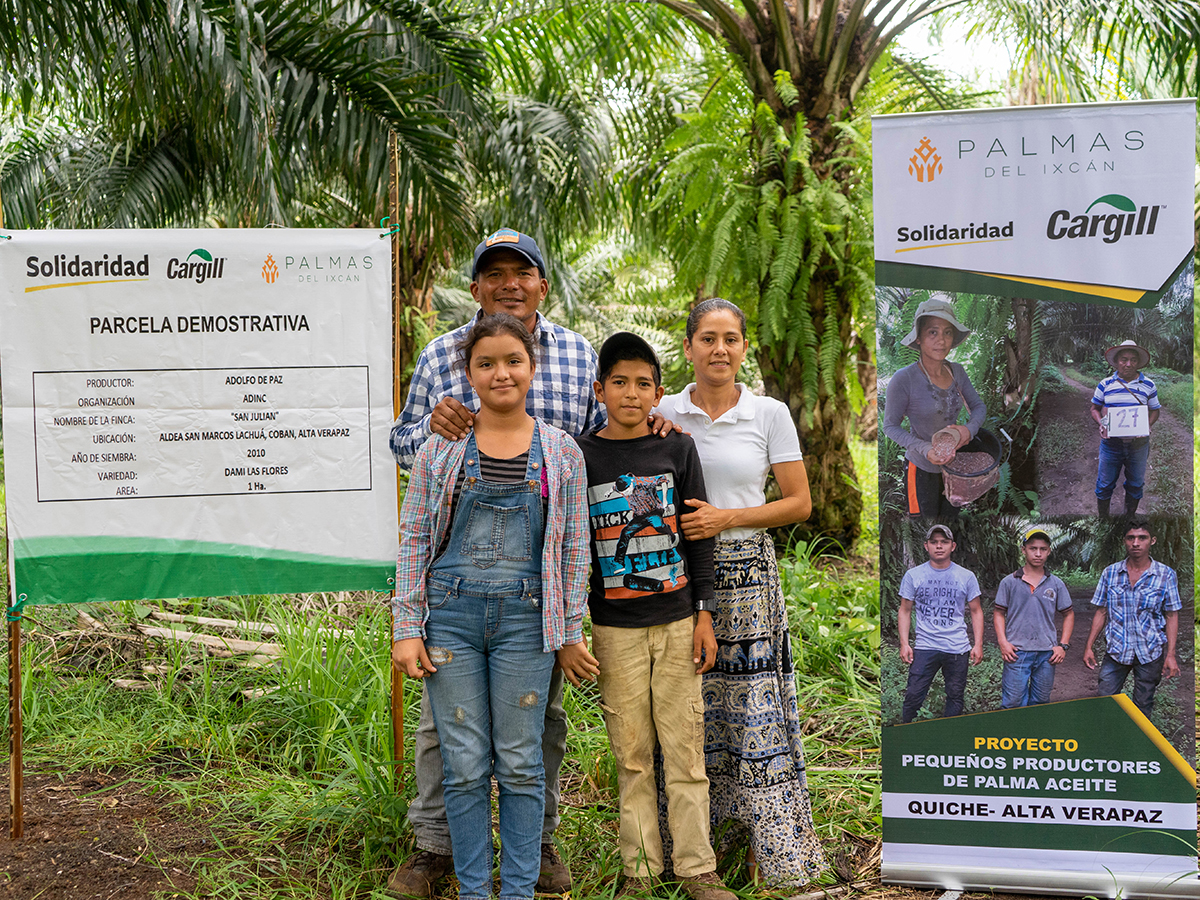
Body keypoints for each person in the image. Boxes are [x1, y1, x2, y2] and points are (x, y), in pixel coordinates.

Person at [387, 228, 600, 897]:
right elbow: (414, 528)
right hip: (452, 610)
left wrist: (655, 425)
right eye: (496, 272)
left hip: (532, 611)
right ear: (476, 288)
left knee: (534, 739)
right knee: (455, 750)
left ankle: (531, 861)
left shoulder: (569, 407)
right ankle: (440, 854)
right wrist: (407, 622)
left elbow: (577, 525)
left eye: (523, 271)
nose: (510, 281)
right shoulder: (439, 374)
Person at [654, 298, 826, 887]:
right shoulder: (663, 410)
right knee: (686, 704)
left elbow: (800, 503)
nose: (719, 349)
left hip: (747, 576)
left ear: (744, 348)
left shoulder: (768, 413)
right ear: (689, 348)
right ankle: (687, 849)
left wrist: (728, 518)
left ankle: (763, 843)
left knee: (752, 709)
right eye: (707, 338)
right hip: (674, 574)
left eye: (730, 339)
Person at [574, 332, 734, 900]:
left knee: (686, 749)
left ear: (658, 393)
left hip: (675, 622)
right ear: (599, 390)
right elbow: (573, 549)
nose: (631, 393)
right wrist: (574, 628)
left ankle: (697, 869)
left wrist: (705, 614)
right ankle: (638, 871)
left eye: (643, 383)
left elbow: (697, 537)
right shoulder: (580, 455)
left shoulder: (677, 450)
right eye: (619, 382)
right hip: (613, 629)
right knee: (633, 754)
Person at [881, 294, 986, 518]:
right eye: (933, 332)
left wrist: (969, 429)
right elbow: (890, 426)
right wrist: (925, 449)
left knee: (949, 521)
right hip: (921, 469)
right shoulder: (904, 379)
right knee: (925, 527)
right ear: (918, 337)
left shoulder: (956, 371)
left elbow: (978, 406)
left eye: (947, 332)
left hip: (955, 467)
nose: (941, 340)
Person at [1083, 518, 1180, 718]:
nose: (1136, 543)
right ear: (1124, 541)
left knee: (1143, 705)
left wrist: (1170, 654)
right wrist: (1088, 646)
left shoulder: (1165, 575)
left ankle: (1136, 744)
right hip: (1117, 649)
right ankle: (1106, 741)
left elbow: (1171, 615)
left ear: (1152, 541)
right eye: (1131, 538)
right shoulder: (1110, 573)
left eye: (1142, 538)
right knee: (1105, 698)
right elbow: (1101, 611)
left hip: (1150, 650)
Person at [898, 524, 984, 722]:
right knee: (913, 695)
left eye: (944, 542)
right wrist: (904, 643)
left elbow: (976, 610)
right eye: (934, 542)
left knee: (955, 695)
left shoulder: (966, 576)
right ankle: (905, 735)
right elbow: (904, 610)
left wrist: (978, 644)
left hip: (957, 647)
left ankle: (948, 736)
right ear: (926, 546)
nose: (939, 546)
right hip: (925, 645)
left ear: (952, 546)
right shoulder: (913, 575)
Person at [994, 527, 1074, 708]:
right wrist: (1003, 642)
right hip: (1017, 651)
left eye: (1043, 549)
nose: (1038, 554)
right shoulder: (1009, 582)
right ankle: (1013, 734)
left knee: (1040, 702)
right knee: (1013, 702)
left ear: (1049, 551)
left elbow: (1068, 613)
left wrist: (1063, 645)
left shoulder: (1055, 584)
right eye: (1033, 548)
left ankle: (1033, 733)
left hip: (1047, 653)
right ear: (1023, 550)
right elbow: (999, 612)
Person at [1090, 340, 1159, 517]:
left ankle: (1129, 519)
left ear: (1138, 362)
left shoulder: (1148, 385)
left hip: (1139, 445)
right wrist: (1102, 423)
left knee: (1136, 484)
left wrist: (1147, 425)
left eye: (1133, 360)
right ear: (1116, 361)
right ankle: (1103, 521)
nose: (1128, 364)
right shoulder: (1105, 384)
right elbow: (1094, 409)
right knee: (1104, 485)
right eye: (1124, 359)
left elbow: (1155, 410)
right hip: (1111, 444)